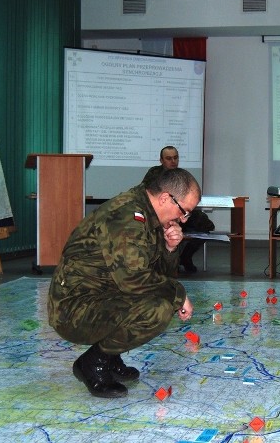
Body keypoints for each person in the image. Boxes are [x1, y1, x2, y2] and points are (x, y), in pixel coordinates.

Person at [48, 168, 200, 398]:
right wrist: (178, 294)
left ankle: (110, 355)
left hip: (104, 296)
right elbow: (134, 278)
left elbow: (156, 277)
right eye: (184, 211)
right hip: (73, 308)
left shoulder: (148, 214)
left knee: (159, 299)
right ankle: (93, 363)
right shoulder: (127, 216)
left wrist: (169, 249)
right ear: (165, 198)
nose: (183, 219)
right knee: (157, 310)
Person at [143, 146, 214, 273]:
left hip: (180, 212)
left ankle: (185, 256)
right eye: (169, 158)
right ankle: (161, 261)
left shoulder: (181, 175)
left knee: (205, 223)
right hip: (162, 212)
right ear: (161, 160)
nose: (173, 161)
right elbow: (147, 194)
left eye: (176, 158)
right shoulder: (154, 173)